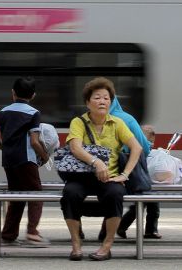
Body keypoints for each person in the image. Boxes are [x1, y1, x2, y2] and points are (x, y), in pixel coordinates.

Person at [60, 77, 143, 262]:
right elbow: (75, 148)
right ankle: (76, 244)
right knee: (70, 193)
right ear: (87, 102)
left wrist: (125, 174)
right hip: (81, 177)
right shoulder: (78, 122)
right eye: (97, 97)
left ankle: (106, 246)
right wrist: (96, 162)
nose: (102, 101)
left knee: (115, 194)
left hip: (109, 177)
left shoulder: (117, 123)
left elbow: (137, 148)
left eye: (106, 98)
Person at [0, 76, 50, 246]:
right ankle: (32, 232)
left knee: (16, 196)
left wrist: (4, 149)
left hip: (9, 160)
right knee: (36, 194)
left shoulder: (4, 112)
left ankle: (8, 235)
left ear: (13, 93)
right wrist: (45, 156)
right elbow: (34, 142)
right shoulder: (33, 113)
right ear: (33, 95)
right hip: (26, 160)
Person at [106, 98, 158, 240]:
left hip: (104, 172)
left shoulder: (94, 119)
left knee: (112, 197)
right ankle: (142, 229)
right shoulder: (127, 119)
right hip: (127, 171)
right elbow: (143, 147)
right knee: (145, 196)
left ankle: (107, 232)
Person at [117, 123, 160, 239]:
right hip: (137, 179)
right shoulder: (136, 145)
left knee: (149, 203)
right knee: (144, 203)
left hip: (139, 179)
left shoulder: (135, 143)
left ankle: (149, 230)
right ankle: (124, 226)